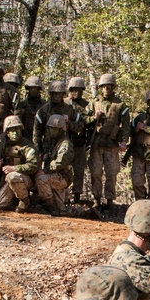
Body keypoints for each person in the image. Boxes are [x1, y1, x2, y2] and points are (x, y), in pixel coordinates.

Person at [88, 73, 130, 210]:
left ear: (113, 87)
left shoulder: (120, 105)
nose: (107, 89)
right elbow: (84, 118)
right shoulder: (94, 103)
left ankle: (110, 199)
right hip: (97, 143)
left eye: (109, 86)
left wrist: (124, 141)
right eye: (104, 86)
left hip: (112, 144)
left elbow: (126, 125)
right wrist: (94, 118)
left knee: (111, 173)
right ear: (101, 88)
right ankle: (96, 199)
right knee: (96, 172)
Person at [0, 114, 39, 212]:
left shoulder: (27, 146)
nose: (15, 133)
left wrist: (15, 168)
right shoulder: (2, 145)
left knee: (12, 176)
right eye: (12, 130)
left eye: (17, 129)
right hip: (7, 181)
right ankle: (13, 199)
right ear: (7, 132)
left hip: (25, 179)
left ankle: (25, 201)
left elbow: (34, 165)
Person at [34, 113, 73, 215]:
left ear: (61, 129)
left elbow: (60, 162)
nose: (51, 130)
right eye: (50, 128)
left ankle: (50, 206)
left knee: (40, 179)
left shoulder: (65, 144)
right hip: (54, 175)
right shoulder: (51, 142)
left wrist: (45, 170)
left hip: (62, 177)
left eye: (54, 128)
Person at [67, 76, 91, 204]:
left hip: (80, 141)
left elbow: (89, 123)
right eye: (73, 90)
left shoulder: (87, 106)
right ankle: (64, 195)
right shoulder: (65, 103)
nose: (76, 93)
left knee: (79, 169)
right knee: (64, 168)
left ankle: (76, 196)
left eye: (79, 90)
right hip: (65, 142)